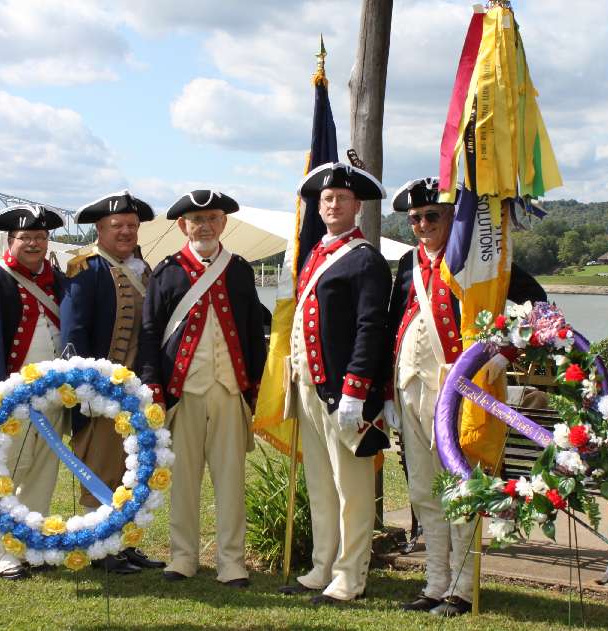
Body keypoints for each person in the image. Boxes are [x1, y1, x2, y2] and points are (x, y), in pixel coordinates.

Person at [385, 177, 547, 616]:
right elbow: (394, 324)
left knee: (460, 488)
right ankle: (434, 583)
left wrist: (502, 352)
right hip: (410, 389)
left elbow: (539, 308)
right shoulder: (408, 264)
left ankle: (462, 588)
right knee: (423, 492)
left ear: (451, 216)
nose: (421, 224)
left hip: (459, 393)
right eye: (415, 218)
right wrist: (387, 391)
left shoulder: (480, 261)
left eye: (431, 216)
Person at [139, 190, 266, 587]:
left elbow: (251, 331)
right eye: (197, 220)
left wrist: (258, 384)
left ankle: (232, 562)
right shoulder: (168, 271)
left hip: (229, 391)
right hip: (183, 391)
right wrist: (153, 387)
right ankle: (183, 556)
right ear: (183, 226)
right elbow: (149, 333)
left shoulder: (239, 269)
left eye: (213, 218)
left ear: (224, 223)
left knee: (230, 480)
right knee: (184, 479)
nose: (205, 226)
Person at [279, 162, 392, 605]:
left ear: (357, 206)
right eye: (326, 199)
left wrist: (357, 388)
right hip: (309, 387)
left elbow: (370, 328)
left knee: (352, 490)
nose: (332, 204)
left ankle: (350, 574)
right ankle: (322, 565)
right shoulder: (316, 254)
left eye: (342, 198)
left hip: (342, 392)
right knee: (321, 485)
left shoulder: (366, 259)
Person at [60, 190, 164, 574]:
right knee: (101, 470)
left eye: (132, 226)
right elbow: (74, 331)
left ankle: (123, 543)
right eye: (117, 225)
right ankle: (99, 548)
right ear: (100, 229)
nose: (125, 232)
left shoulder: (144, 269)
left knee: (133, 471)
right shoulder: (86, 269)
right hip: (101, 392)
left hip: (138, 391)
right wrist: (84, 387)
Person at [0, 204, 67, 580]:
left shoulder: (61, 281)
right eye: (26, 237)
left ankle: (30, 548)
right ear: (10, 240)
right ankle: (1, 555)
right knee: (5, 474)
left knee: (41, 475)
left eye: (40, 237)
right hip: (11, 399)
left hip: (52, 398)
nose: (34, 244)